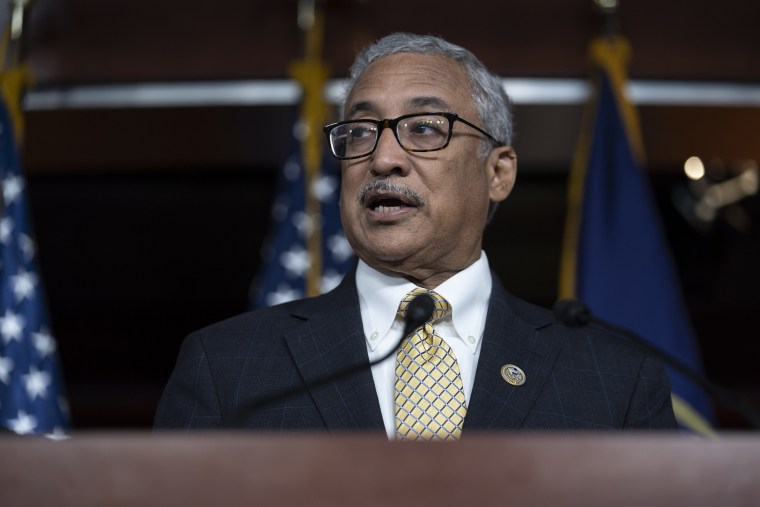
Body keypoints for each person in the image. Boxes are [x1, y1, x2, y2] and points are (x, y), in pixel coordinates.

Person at [154, 32, 677, 436]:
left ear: (499, 173)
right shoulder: (227, 369)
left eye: (424, 128)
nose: (382, 158)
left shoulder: (615, 380)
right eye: (359, 131)